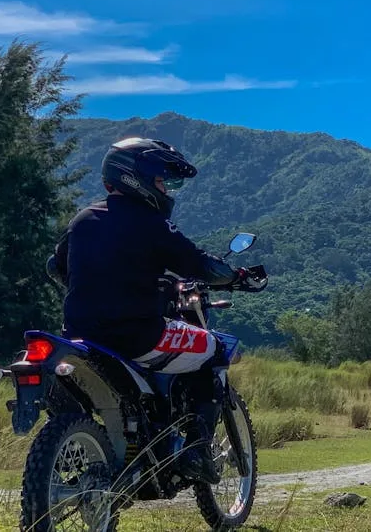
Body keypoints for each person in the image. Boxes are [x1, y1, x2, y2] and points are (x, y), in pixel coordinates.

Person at [45, 137, 265, 484]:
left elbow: (55, 267)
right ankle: (196, 450)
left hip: (78, 336)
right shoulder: (151, 223)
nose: (168, 189)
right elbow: (199, 264)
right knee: (214, 349)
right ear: (138, 178)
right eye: (164, 181)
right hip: (137, 336)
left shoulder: (82, 220)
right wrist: (236, 275)